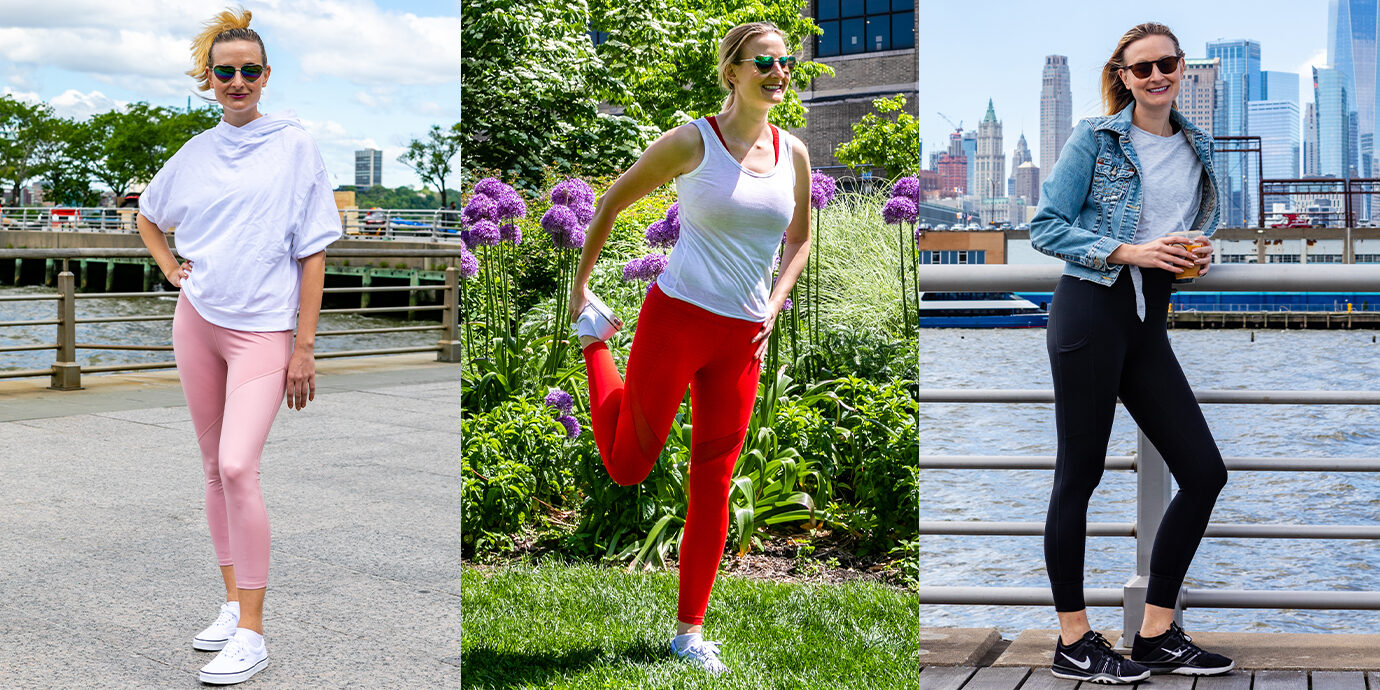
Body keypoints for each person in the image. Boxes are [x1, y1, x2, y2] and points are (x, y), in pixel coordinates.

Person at [566, 21, 811, 675]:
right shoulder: (690, 142)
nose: (779, 72)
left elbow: (801, 240)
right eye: (765, 61)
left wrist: (777, 302)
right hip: (676, 321)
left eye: (786, 63)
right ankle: (595, 345)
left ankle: (689, 633)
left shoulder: (796, 153)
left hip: (743, 337)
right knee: (627, 468)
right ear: (733, 71)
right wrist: (581, 286)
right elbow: (611, 203)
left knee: (715, 484)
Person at [135, 8, 342, 685]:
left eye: (249, 70)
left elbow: (312, 252)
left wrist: (304, 346)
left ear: (266, 75)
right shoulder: (194, 153)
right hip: (197, 319)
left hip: (264, 330)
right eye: (225, 71)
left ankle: (252, 632)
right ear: (208, 78)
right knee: (209, 466)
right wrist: (170, 269)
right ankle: (231, 603)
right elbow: (147, 213)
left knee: (235, 466)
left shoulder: (295, 145)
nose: (237, 80)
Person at [1030, 21, 1233, 683]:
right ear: (1122, 76)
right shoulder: (1096, 138)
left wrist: (1199, 254)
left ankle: (1154, 632)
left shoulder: (1198, 145)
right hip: (1091, 310)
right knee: (1079, 476)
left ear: (1181, 69)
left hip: (1149, 321)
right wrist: (1131, 251)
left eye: (1165, 65)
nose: (1155, 77)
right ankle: (1073, 640)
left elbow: (1187, 228)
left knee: (1204, 472)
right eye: (1140, 68)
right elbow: (1047, 226)